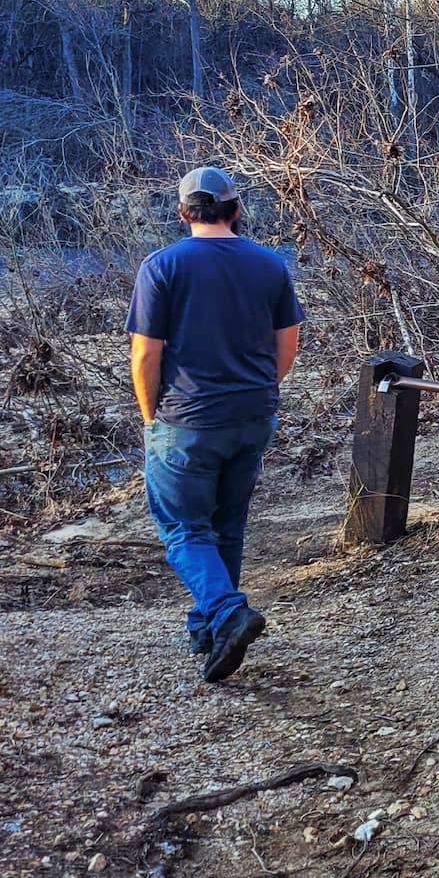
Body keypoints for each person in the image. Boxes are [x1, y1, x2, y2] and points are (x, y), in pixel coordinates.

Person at [127, 166, 304, 683]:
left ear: (183, 213)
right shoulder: (269, 264)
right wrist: (260, 389)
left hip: (187, 418)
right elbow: (287, 342)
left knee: (183, 528)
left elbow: (145, 355)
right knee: (226, 525)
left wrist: (150, 416)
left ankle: (227, 612)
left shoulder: (162, 266)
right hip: (252, 414)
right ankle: (208, 628)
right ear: (236, 209)